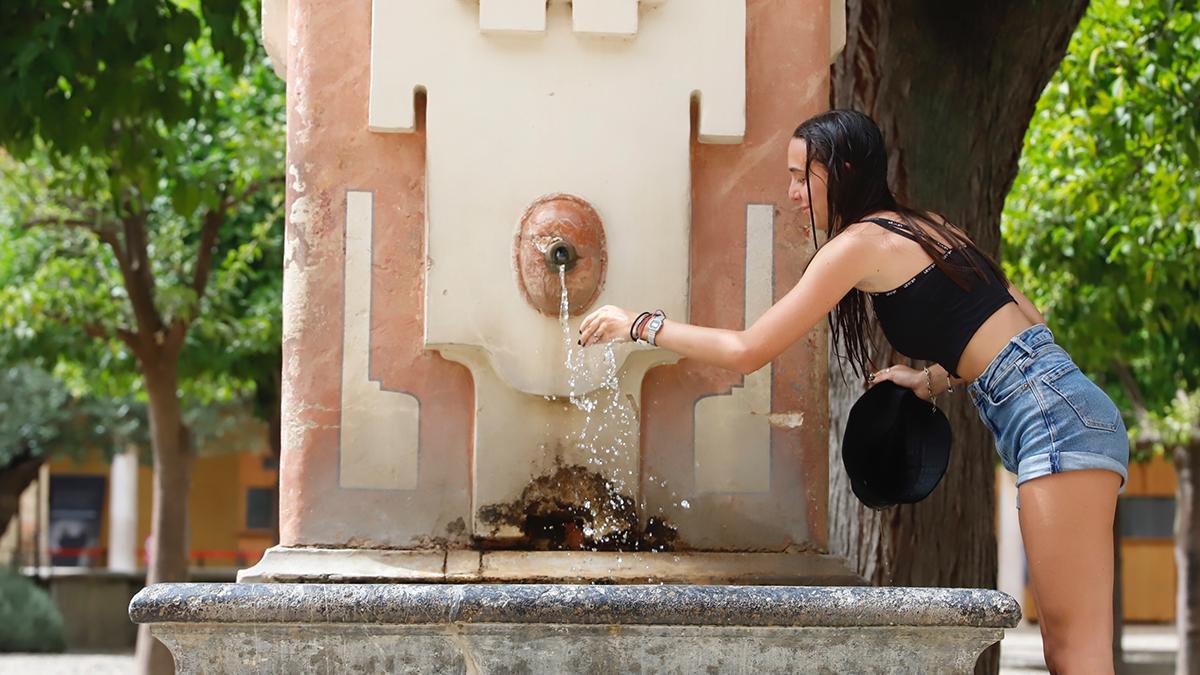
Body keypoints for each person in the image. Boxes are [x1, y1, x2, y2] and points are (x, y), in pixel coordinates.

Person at [579, 109, 1129, 674]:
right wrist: (930, 379)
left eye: (801, 176)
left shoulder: (858, 244)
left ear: (841, 170)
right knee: (1072, 650)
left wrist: (638, 325)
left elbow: (749, 349)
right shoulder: (928, 226)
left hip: (1051, 421)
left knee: (1073, 653)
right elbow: (1025, 320)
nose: (793, 194)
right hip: (1064, 407)